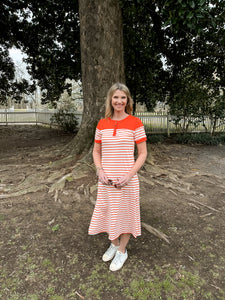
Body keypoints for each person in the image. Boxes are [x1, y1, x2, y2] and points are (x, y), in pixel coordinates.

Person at [88, 82, 147, 271]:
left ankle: (122, 250)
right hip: (106, 180)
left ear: (127, 100)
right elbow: (96, 151)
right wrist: (99, 170)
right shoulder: (102, 124)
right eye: (116, 97)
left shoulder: (135, 123)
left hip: (127, 181)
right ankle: (113, 243)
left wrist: (129, 175)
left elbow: (143, 154)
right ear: (110, 99)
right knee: (107, 212)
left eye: (123, 97)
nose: (119, 101)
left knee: (126, 214)